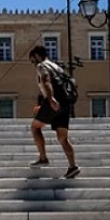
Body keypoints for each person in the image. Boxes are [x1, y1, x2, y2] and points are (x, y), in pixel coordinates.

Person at [27, 45, 79, 179]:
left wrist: (50, 99)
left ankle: (43, 157)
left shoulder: (42, 65)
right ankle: (73, 166)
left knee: (35, 127)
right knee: (62, 138)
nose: (33, 64)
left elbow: (46, 80)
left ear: (37, 56)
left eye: (33, 60)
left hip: (54, 102)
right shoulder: (57, 67)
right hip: (66, 103)